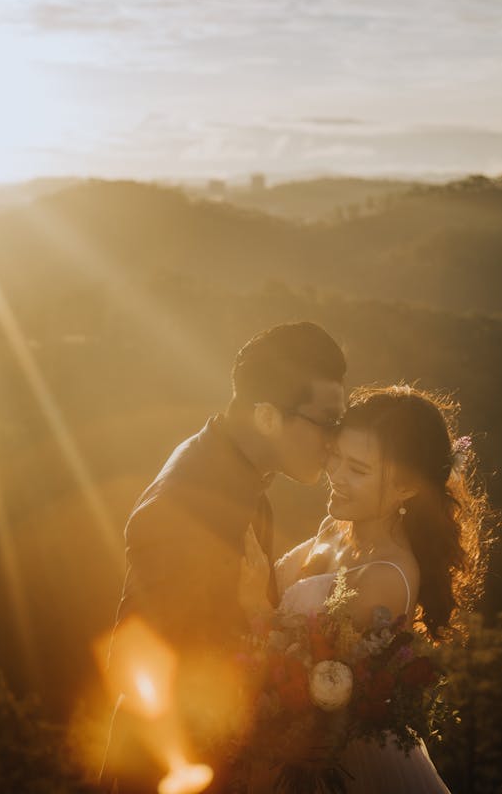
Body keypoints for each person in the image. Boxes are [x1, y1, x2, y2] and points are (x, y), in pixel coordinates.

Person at [99, 322, 346, 793]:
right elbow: (161, 671)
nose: (335, 440)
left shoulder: (237, 472)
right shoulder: (188, 507)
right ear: (268, 417)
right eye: (327, 423)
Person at [241, 384, 491, 793]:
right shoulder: (336, 527)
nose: (335, 477)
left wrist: (252, 602)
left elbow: (302, 691)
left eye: (357, 470)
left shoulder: (385, 578)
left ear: (407, 488)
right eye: (335, 457)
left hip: (345, 771)